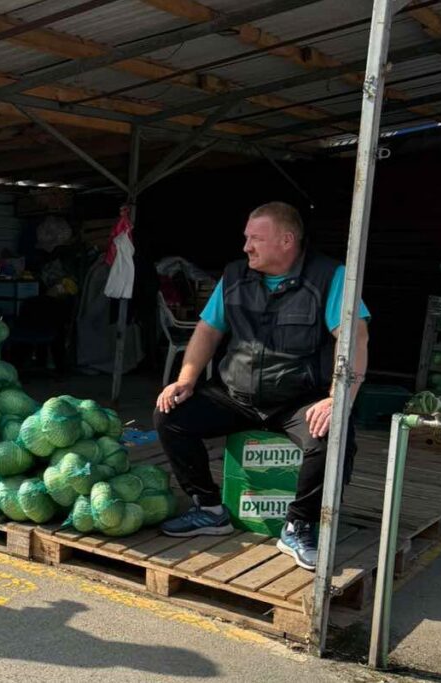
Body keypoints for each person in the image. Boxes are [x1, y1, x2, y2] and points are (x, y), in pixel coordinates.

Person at [153, 202, 370, 571]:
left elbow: (355, 338)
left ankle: (298, 524)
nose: (246, 247)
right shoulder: (235, 275)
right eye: (246, 238)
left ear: (286, 241)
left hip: (298, 400)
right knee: (170, 414)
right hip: (236, 396)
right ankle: (208, 509)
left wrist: (338, 399)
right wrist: (186, 379)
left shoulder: (330, 277)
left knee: (333, 435)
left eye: (256, 238)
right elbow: (208, 330)